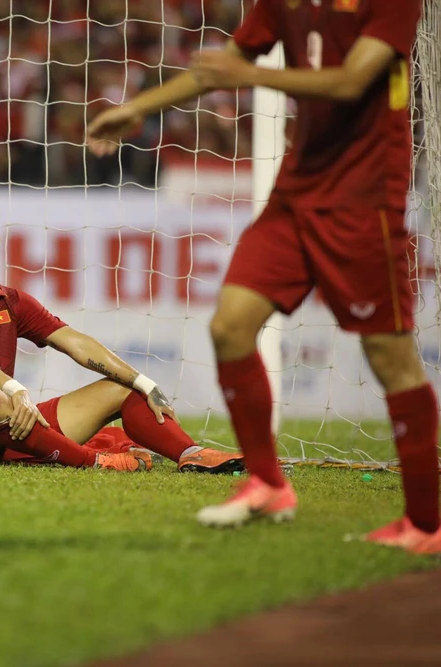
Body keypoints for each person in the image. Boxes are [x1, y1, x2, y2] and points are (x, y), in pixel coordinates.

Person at [86, 0, 441, 552]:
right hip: (296, 193)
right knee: (230, 326)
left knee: (390, 358)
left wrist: (249, 76)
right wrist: (137, 108)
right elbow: (221, 65)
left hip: (363, 202)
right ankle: (268, 484)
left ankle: (426, 523)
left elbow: (351, 81)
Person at [0, 186, 245, 473]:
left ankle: (191, 454)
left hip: (9, 417)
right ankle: (93, 459)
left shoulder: (10, 301)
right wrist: (16, 390)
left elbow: (76, 343)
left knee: (122, 387)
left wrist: (144, 383)